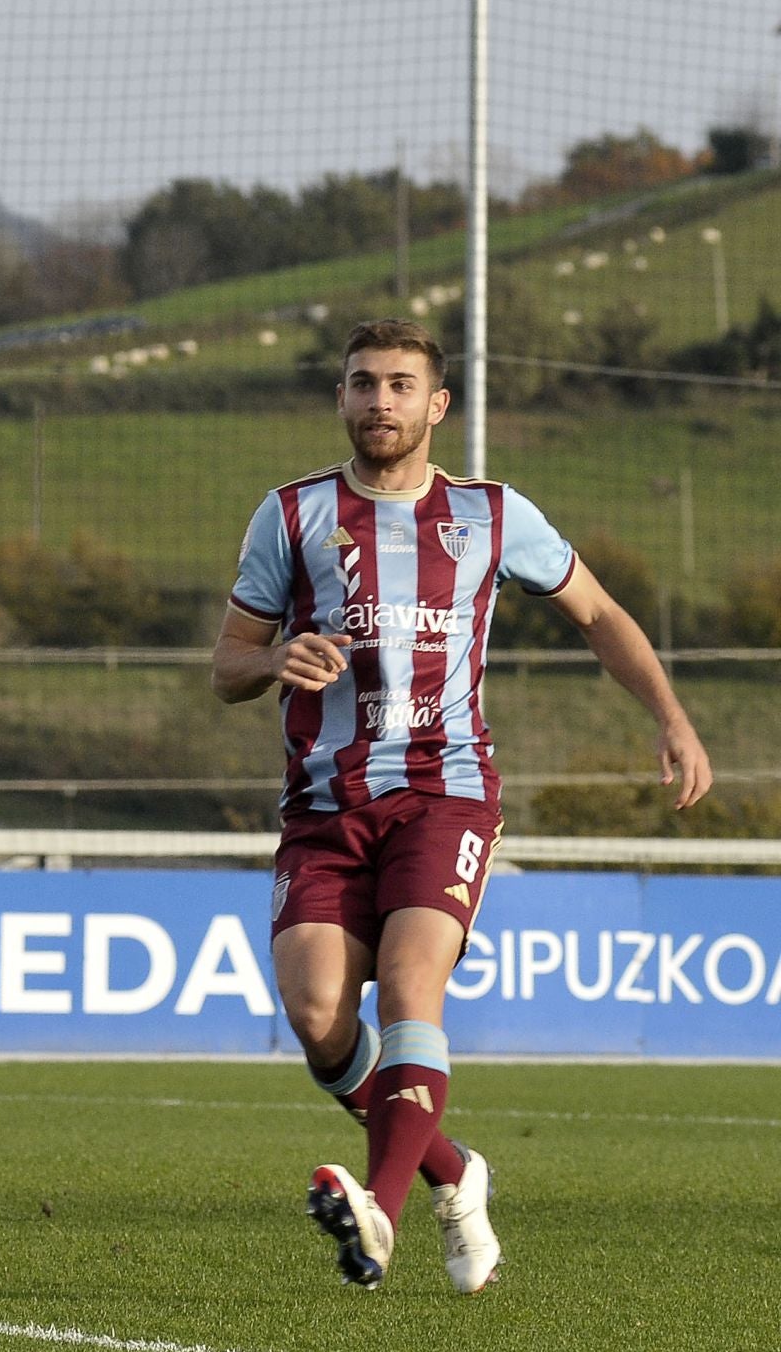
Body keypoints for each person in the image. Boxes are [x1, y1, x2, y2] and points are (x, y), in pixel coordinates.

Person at [210, 318, 712, 1293]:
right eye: (363, 384)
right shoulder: (291, 514)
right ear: (342, 398)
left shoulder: (490, 514)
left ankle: (382, 1211)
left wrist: (672, 716)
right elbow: (226, 665)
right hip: (324, 804)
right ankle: (453, 1170)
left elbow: (600, 613)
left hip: (448, 791)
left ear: (439, 404)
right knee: (318, 1014)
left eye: (401, 385)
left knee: (409, 987)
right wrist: (273, 659)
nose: (380, 402)